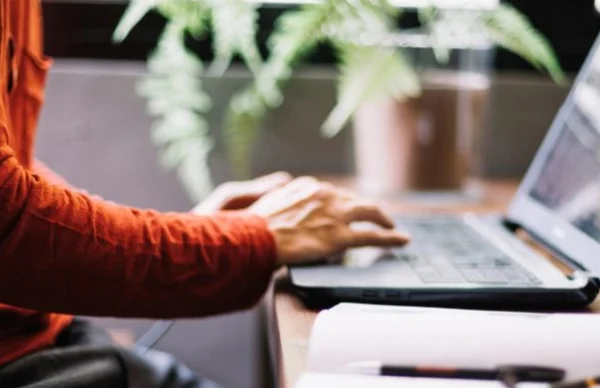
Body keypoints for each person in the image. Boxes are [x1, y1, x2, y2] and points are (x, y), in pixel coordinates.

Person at [0, 1, 410, 387]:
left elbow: (14, 165)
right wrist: (242, 243)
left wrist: (193, 231)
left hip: (45, 333)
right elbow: (10, 230)